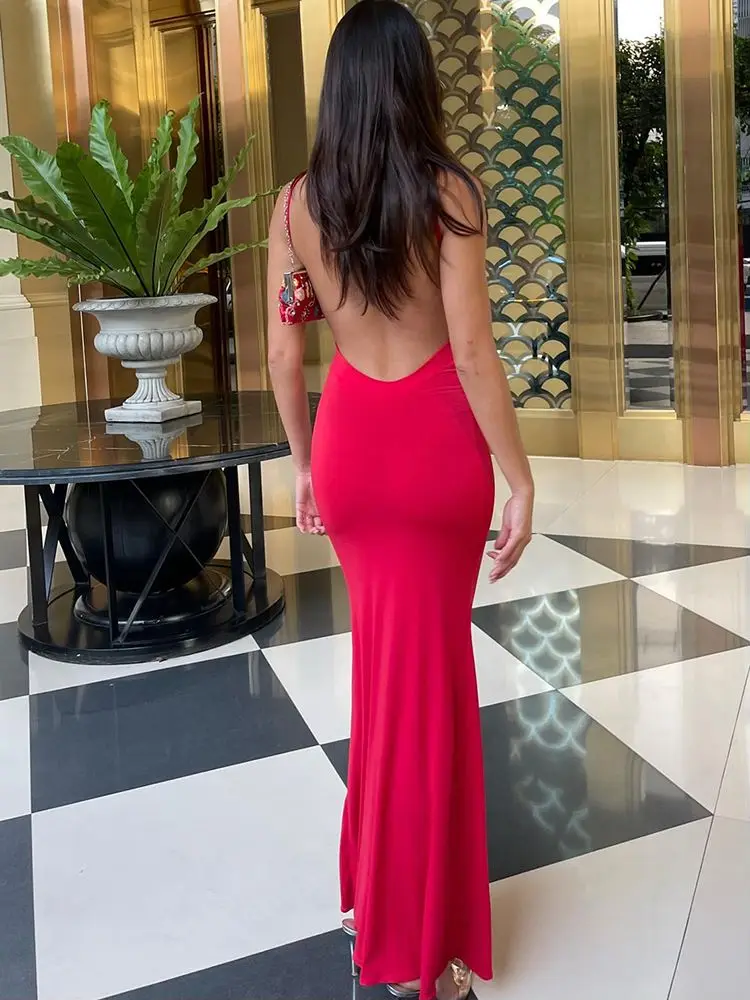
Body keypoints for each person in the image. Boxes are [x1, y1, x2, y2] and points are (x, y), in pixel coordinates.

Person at [266, 2, 534, 997]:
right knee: (431, 690)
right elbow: (471, 350)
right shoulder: (448, 193)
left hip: (351, 451)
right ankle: (428, 948)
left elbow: (284, 353)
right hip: (435, 460)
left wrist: (304, 464)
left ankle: (371, 893)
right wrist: (519, 474)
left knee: (386, 677)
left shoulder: (297, 207)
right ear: (416, 82)